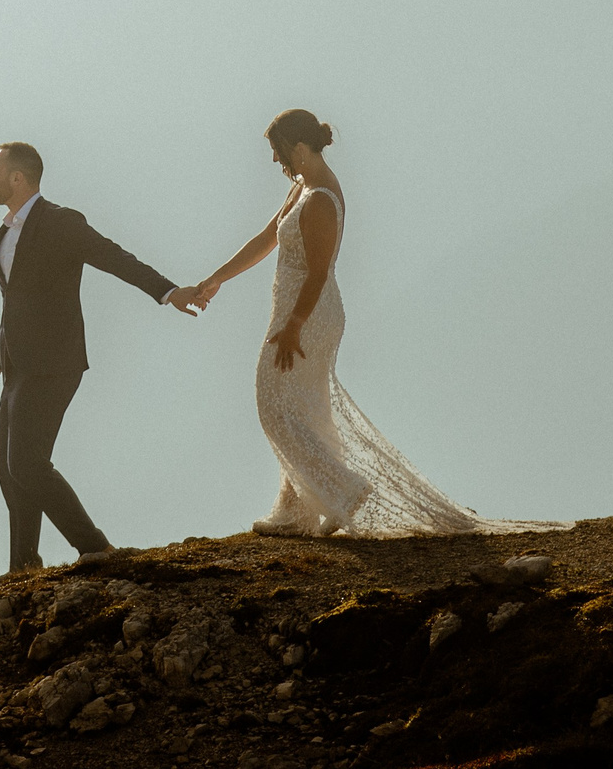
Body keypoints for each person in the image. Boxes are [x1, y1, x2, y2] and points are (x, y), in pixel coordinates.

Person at [187, 109, 569, 539]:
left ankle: (342, 491)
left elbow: (317, 273)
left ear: (298, 147)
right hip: (296, 311)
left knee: (273, 400)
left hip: (308, 314)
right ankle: (296, 510)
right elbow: (266, 237)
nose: (278, 163)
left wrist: (294, 324)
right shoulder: (300, 190)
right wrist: (215, 279)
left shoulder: (319, 200)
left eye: (279, 154)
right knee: (302, 408)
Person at [0, 141, 204, 572]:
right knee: (12, 474)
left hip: (55, 363)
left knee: (26, 463)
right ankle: (23, 566)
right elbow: (13, 305)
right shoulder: (2, 236)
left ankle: (95, 547)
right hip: (16, 367)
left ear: (18, 178)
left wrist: (168, 291)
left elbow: (112, 257)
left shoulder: (60, 222)